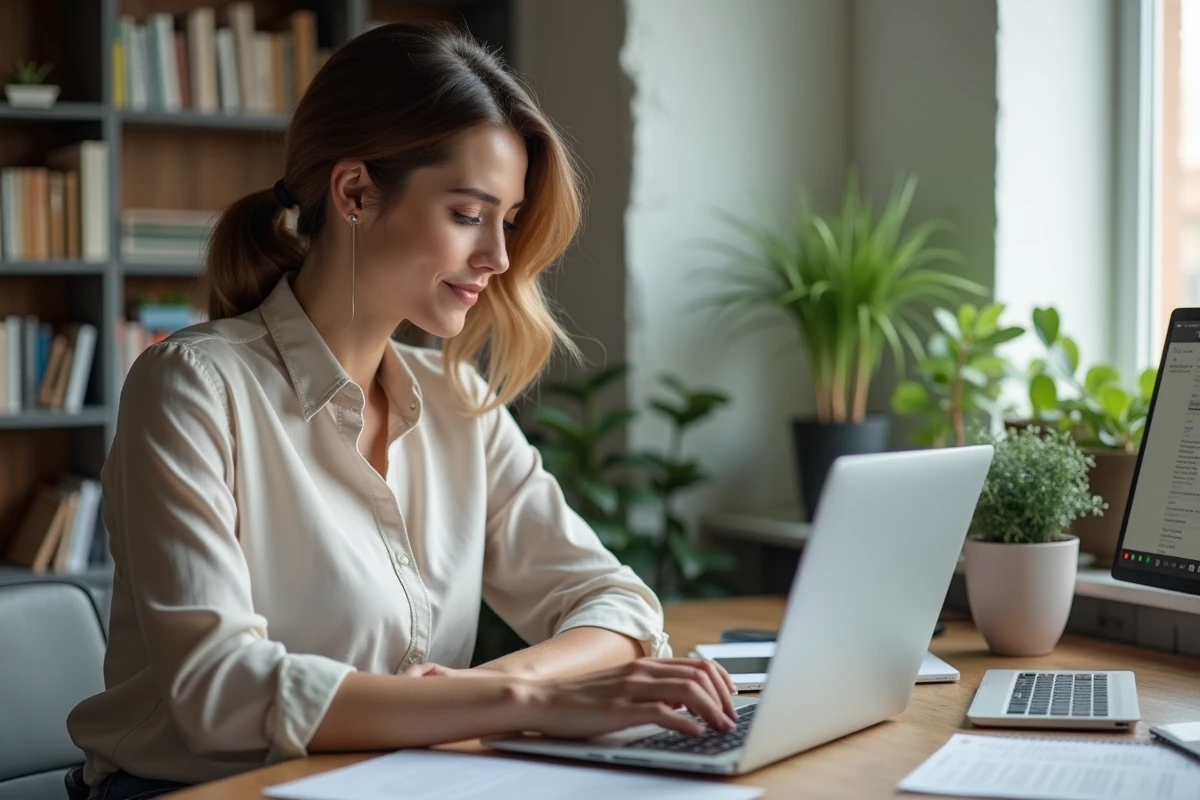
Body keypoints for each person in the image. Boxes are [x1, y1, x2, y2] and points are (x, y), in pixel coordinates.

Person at [64, 21, 737, 800]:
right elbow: (223, 692)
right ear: (354, 192)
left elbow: (617, 602)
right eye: (467, 214)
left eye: (508, 220)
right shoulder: (190, 387)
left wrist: (496, 688)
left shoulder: (460, 403)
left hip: (396, 779)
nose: (500, 257)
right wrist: (526, 703)